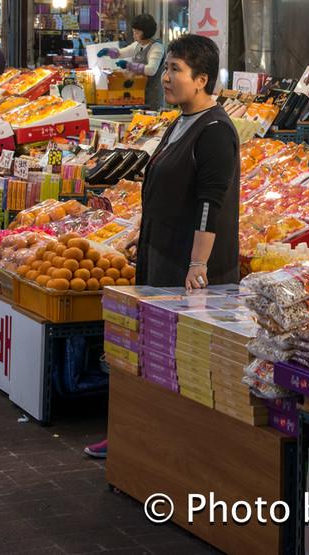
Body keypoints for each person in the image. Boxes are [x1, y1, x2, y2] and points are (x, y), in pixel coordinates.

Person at [83, 34, 237, 461]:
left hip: (186, 269)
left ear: (202, 79)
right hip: (158, 252)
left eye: (176, 71)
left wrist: (197, 264)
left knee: (174, 361)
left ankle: (166, 447)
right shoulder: (180, 121)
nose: (166, 78)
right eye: (166, 68)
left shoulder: (215, 131)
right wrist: (143, 227)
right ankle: (131, 434)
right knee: (144, 350)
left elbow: (211, 203)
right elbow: (167, 187)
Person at [107, 14, 165, 109]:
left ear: (146, 32)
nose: (134, 35)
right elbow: (121, 53)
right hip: (136, 95)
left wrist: (129, 66)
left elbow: (151, 70)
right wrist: (108, 51)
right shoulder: (137, 45)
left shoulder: (157, 47)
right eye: (133, 32)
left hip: (151, 96)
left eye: (137, 33)